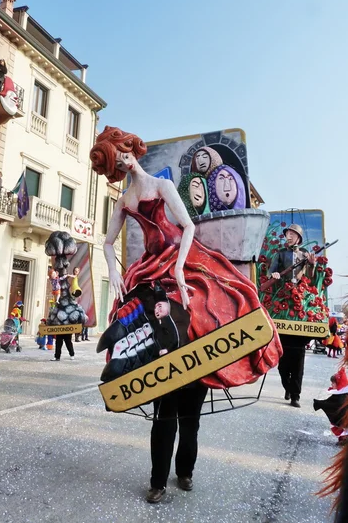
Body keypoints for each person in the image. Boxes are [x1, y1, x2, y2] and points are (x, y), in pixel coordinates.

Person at [90, 126, 281, 503]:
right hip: (150, 268)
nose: (125, 161)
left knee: (192, 404)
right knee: (164, 412)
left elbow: (189, 226)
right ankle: (158, 480)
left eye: (125, 153)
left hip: (179, 259)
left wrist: (178, 268)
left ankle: (186, 472)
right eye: (118, 159)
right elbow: (107, 241)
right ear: (115, 166)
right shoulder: (123, 200)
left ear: (134, 152)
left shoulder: (161, 188)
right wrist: (112, 269)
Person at [268, 223, 316, 408]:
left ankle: (295, 394)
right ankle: (287, 386)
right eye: (287, 233)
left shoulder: (305, 254)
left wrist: (311, 265)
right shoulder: (280, 254)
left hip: (300, 305)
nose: (288, 236)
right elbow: (270, 270)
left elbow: (311, 278)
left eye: (292, 233)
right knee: (282, 361)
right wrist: (275, 274)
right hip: (283, 301)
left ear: (298, 237)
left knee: (299, 357)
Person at [314, 369, 348, 443]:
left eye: (333, 383)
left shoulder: (341, 396)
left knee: (335, 426)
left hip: (343, 418)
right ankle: (343, 438)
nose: (331, 385)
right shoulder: (342, 393)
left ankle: (344, 438)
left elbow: (333, 405)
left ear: (339, 383)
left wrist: (320, 404)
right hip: (344, 418)